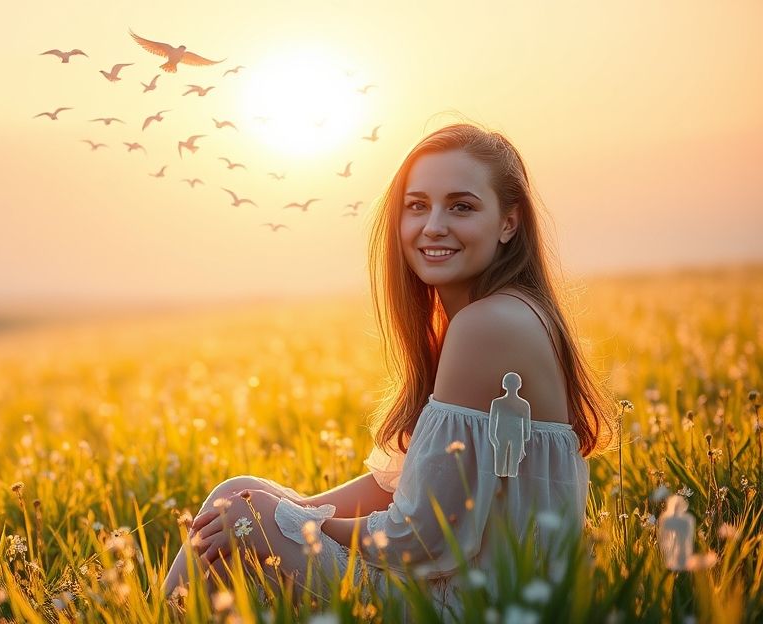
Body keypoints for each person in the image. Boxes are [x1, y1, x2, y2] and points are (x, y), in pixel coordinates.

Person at [161, 122, 619, 619]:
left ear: (509, 223)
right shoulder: (493, 315)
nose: (433, 225)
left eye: (461, 206)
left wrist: (289, 519)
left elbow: (419, 533)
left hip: (473, 606)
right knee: (241, 499)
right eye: (417, 205)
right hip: (468, 588)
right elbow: (394, 488)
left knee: (246, 513)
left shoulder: (488, 325)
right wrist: (280, 506)